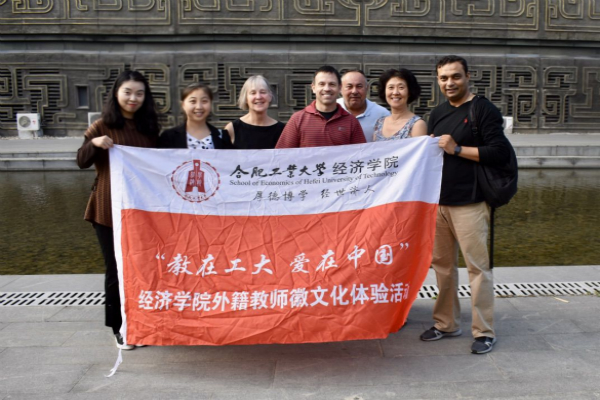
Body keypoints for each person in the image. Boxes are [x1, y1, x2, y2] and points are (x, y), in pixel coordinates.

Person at [420, 55, 512, 354]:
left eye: (455, 76)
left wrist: (457, 148)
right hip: (440, 203)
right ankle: (446, 323)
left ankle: (484, 331)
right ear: (438, 81)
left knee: (478, 268)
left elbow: (499, 152)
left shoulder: (482, 109)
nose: (450, 83)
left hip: (471, 201)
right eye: (444, 78)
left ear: (468, 76)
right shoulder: (437, 113)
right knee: (443, 267)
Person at [77, 70, 160, 350]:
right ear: (116, 94)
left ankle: (140, 320)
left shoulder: (149, 128)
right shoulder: (102, 125)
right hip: (108, 210)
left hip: (140, 210)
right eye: (127, 92)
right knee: (115, 268)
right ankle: (119, 327)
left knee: (141, 268)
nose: (133, 98)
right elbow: (80, 160)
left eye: (139, 93)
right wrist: (94, 144)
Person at [275, 65, 366, 148]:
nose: (327, 89)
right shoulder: (297, 119)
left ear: (339, 88)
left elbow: (361, 155)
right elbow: (282, 155)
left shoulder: (351, 121)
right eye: (321, 84)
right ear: (313, 88)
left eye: (332, 84)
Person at [158, 83, 233, 150]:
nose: (199, 107)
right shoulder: (169, 136)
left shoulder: (222, 136)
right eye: (193, 101)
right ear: (183, 105)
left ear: (211, 104)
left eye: (204, 101)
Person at [224, 75, 284, 149]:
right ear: (246, 98)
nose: (258, 97)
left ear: (270, 96)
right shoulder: (232, 129)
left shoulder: (282, 130)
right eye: (253, 93)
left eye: (263, 92)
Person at [373, 68, 427, 142]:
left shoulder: (417, 125)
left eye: (401, 87)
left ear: (409, 92)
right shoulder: (380, 123)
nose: (395, 92)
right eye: (391, 87)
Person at [337, 69, 390, 142]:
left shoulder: (382, 115)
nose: (354, 91)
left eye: (359, 86)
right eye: (349, 86)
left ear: (367, 88)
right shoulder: (331, 109)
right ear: (340, 89)